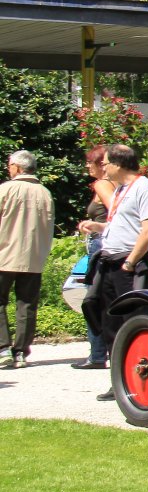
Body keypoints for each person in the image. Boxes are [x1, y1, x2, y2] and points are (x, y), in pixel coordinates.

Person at [82, 144, 148, 400]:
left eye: (106, 163)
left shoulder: (145, 188)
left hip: (129, 264)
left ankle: (139, 382)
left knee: (133, 322)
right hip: (110, 261)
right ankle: (119, 382)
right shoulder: (120, 190)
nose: (103, 168)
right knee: (110, 323)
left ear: (118, 164)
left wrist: (130, 262)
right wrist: (99, 227)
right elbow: (124, 225)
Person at [0, 150, 55, 370]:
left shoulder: (5, 189)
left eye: (10, 165)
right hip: (33, 257)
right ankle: (21, 352)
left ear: (18, 167)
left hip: (4, 254)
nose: (8, 168)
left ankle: (3, 348)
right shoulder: (44, 193)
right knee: (27, 305)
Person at [73, 146, 118, 368]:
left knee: (93, 299)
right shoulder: (117, 184)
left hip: (100, 243)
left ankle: (98, 354)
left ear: (101, 164)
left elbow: (115, 212)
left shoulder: (102, 184)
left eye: (90, 162)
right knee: (103, 298)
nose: (87, 166)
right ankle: (103, 352)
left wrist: (95, 225)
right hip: (107, 242)